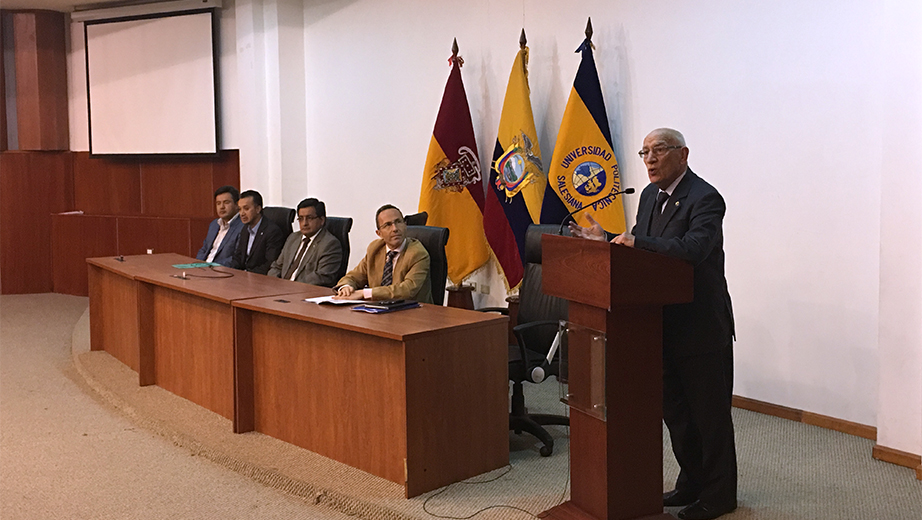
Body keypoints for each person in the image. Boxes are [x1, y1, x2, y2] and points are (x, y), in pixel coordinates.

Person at [569, 128, 736, 520]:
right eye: (645, 152)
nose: (649, 159)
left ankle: (720, 495)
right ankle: (691, 483)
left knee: (709, 416)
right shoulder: (647, 196)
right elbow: (642, 254)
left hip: (700, 326)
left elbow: (692, 250)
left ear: (683, 154)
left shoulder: (705, 198)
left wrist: (635, 243)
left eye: (658, 150)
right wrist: (605, 239)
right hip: (656, 323)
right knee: (676, 412)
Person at [334, 204, 432, 303]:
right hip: (378, 310)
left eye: (398, 222)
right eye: (388, 225)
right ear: (379, 233)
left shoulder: (418, 253)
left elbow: (407, 290)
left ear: (405, 225)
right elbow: (354, 277)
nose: (395, 228)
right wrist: (346, 287)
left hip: (412, 312)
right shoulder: (375, 249)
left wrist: (364, 293)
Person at [267, 198, 343, 287]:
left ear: (322, 220)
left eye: (309, 218)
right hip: (281, 290)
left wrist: (290, 286)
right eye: (301, 218)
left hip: (305, 292)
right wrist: (275, 283)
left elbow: (323, 277)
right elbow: (277, 267)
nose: (304, 223)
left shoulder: (330, 244)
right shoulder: (293, 238)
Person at [230, 190, 284, 275]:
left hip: (260, 279)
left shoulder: (272, 231)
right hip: (244, 277)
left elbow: (270, 264)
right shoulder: (245, 229)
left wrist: (246, 275)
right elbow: (238, 257)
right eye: (240, 209)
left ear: (258, 209)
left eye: (246, 208)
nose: (242, 213)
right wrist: (230, 271)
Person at [196, 185, 244, 267]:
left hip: (223, 271)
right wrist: (198, 264)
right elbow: (204, 249)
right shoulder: (214, 224)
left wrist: (212, 266)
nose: (221, 207)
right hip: (204, 269)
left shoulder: (243, 226)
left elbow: (237, 258)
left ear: (237, 205)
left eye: (226, 202)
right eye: (218, 203)